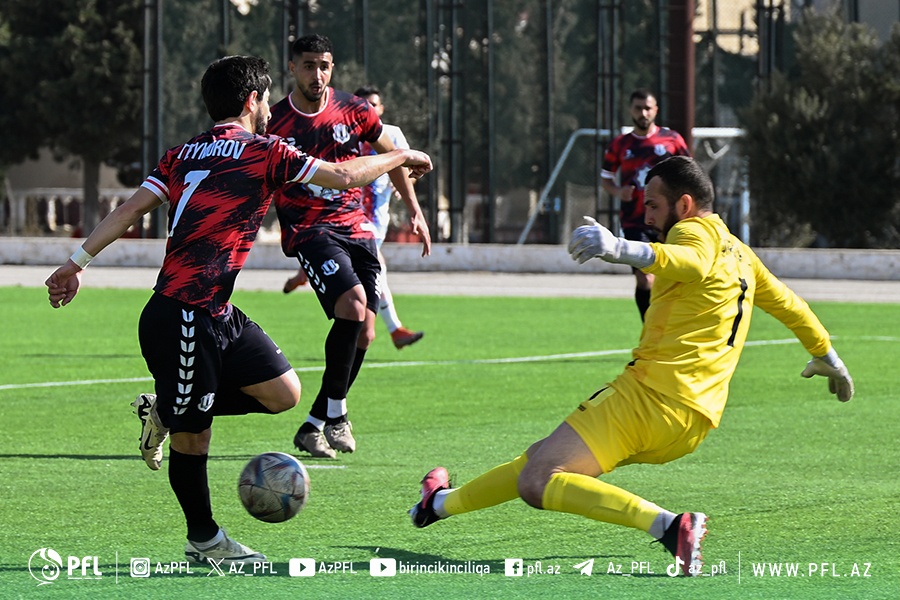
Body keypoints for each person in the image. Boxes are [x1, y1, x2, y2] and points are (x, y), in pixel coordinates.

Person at [45, 55, 432, 567]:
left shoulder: (182, 153)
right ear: (252, 102)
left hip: (217, 312)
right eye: (266, 98)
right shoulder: (264, 152)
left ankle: (166, 408)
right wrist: (399, 157)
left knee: (283, 393)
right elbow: (343, 175)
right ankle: (204, 540)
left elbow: (131, 208)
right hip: (182, 312)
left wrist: (77, 262)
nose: (271, 108)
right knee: (194, 436)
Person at [408, 156, 854, 577]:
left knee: (539, 480)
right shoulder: (740, 254)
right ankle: (439, 504)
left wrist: (621, 248)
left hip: (649, 399)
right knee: (544, 456)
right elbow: (792, 305)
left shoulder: (693, 235)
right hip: (691, 424)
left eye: (656, 205)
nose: (649, 215)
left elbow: (690, 262)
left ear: (685, 205)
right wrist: (827, 355)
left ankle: (669, 526)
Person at [268, 34, 432, 459]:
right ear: (291, 68)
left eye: (323, 65)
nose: (316, 74)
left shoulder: (355, 111)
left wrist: (414, 209)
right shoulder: (274, 121)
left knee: (364, 332)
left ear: (332, 67)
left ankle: (315, 423)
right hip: (309, 229)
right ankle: (338, 415)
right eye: (307, 65)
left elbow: (393, 155)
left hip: (356, 229)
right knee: (355, 305)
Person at [283, 85, 425, 351]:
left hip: (377, 219)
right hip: (349, 217)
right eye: (366, 104)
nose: (370, 108)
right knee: (374, 270)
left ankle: (305, 275)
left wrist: (406, 192)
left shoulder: (391, 135)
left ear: (381, 109)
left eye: (375, 104)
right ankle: (394, 330)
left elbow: (406, 171)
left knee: (366, 275)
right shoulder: (346, 131)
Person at [600, 88, 691, 321]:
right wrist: (618, 191)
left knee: (673, 275)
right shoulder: (620, 144)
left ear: (656, 110)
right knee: (645, 278)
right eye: (639, 108)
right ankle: (650, 328)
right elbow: (606, 178)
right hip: (634, 220)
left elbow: (689, 172)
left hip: (669, 220)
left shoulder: (672, 141)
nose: (643, 113)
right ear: (631, 110)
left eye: (648, 108)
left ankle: (675, 325)